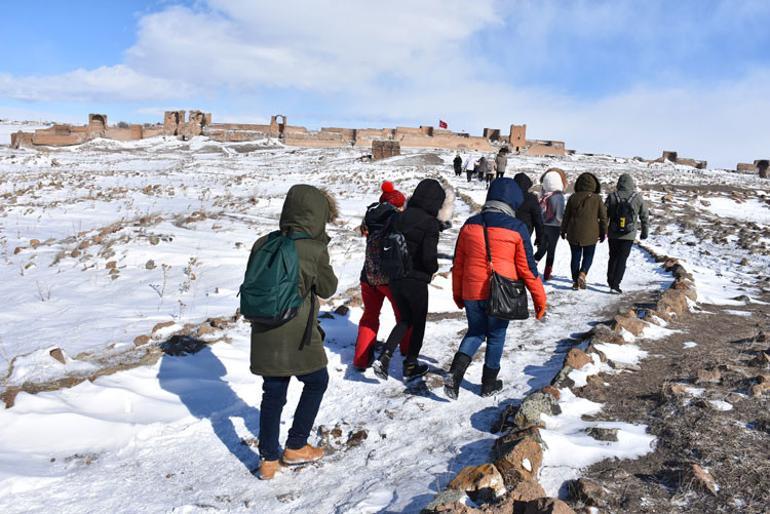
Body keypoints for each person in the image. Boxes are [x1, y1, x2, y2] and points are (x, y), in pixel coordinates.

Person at [250, 184, 339, 480]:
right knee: (317, 381)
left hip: (264, 330)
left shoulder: (263, 243)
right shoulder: (313, 249)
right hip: (298, 333)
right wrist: (321, 248)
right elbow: (328, 288)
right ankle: (296, 445)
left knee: (273, 392)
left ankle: (268, 460)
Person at [446, 178, 547, 399]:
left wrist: (458, 293)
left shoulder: (470, 224)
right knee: (496, 335)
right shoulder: (517, 228)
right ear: (512, 202)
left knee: (475, 332)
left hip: (472, 290)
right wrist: (540, 300)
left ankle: (454, 374)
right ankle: (488, 384)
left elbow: (459, 263)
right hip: (502, 292)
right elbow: (528, 269)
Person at [372, 178, 452, 380]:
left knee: (405, 319)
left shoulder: (399, 217)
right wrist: (433, 269)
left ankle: (385, 356)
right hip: (416, 280)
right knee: (418, 323)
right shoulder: (430, 223)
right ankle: (410, 364)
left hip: (395, 277)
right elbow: (428, 258)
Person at [353, 182, 411, 370]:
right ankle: (407, 351)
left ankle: (361, 359)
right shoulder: (396, 219)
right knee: (404, 316)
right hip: (391, 278)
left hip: (368, 276)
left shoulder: (369, 216)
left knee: (369, 316)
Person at [561, 172, 608, 290]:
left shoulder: (573, 197)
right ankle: (583, 273)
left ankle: (575, 281)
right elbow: (603, 217)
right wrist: (604, 232)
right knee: (588, 255)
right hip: (591, 234)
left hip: (574, 232)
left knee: (575, 257)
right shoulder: (597, 199)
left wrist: (563, 230)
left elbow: (566, 216)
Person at [605, 173, 649, 294]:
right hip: (628, 235)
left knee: (613, 257)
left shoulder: (612, 196)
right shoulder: (637, 197)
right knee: (622, 259)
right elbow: (644, 216)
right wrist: (645, 232)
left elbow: (604, 215)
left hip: (613, 233)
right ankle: (616, 284)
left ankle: (610, 280)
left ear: (619, 183)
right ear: (631, 183)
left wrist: (602, 230)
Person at [534, 168, 567, 281]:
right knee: (551, 250)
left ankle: (532, 265)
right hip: (554, 227)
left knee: (542, 248)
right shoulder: (559, 196)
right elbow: (559, 215)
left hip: (543, 226)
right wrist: (562, 225)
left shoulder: (543, 196)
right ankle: (547, 273)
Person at [512, 173, 545, 250]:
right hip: (525, 232)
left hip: (507, 232)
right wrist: (539, 238)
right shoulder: (531, 198)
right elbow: (538, 219)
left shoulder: (508, 196)